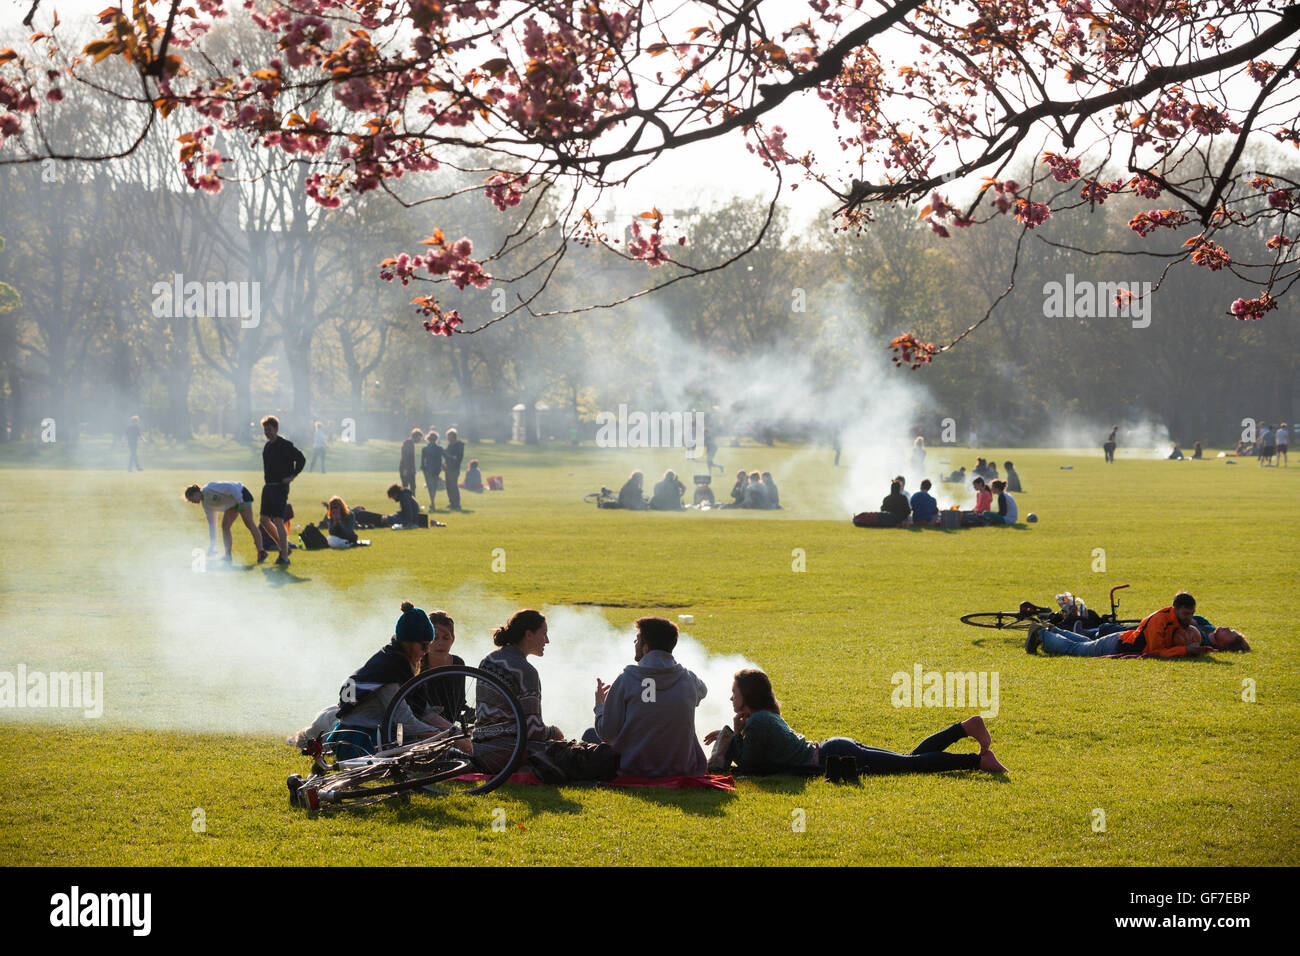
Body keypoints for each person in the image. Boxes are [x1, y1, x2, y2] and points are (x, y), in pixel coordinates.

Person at [705, 669, 1007, 776]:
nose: (731, 699)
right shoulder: (765, 717)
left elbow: (751, 767)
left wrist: (732, 739)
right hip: (835, 748)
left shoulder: (756, 724)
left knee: (911, 765)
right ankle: (965, 728)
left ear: (747, 694)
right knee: (909, 760)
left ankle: (976, 762)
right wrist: (734, 734)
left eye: (734, 693)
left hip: (835, 756)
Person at [331, 602, 455, 755]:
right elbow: (405, 720)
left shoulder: (400, 662)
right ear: (407, 643)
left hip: (380, 732)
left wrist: (454, 733)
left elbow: (423, 711)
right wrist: (444, 737)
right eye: (423, 645)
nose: (426, 650)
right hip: (362, 739)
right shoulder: (388, 671)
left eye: (429, 644)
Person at [591, 617, 707, 777]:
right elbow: (703, 691)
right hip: (681, 769)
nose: (634, 643)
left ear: (645, 648)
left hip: (633, 769)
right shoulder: (689, 678)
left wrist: (600, 706)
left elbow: (607, 734)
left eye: (637, 640)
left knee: (590, 734)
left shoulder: (627, 679)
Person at [474, 609, 566, 775]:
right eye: (544, 634)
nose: (547, 640)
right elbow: (533, 731)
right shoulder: (526, 671)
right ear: (528, 634)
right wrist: (554, 732)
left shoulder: (488, 659)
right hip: (508, 753)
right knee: (565, 752)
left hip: (480, 750)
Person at [1028, 591, 1212, 658]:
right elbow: (1155, 652)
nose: (1190, 619)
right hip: (1117, 645)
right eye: (1186, 614)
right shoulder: (1160, 621)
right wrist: (1185, 651)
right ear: (1176, 609)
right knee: (1076, 649)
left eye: (1192, 614)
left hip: (1119, 641)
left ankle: (1052, 629)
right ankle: (1041, 634)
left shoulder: (1177, 620)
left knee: (1083, 643)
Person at [260, 415, 306, 566]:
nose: (267, 432)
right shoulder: (267, 447)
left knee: (279, 520)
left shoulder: (285, 445)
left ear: (276, 429)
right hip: (268, 487)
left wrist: (292, 476)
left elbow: (301, 459)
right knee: (264, 520)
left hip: (280, 487)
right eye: (265, 429)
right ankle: (284, 547)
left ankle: (284, 557)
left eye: (269, 429)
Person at [184, 481, 266, 564]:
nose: (192, 502)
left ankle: (261, 552)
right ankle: (228, 556)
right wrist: (212, 546)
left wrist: (240, 501)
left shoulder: (209, 488)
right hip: (234, 505)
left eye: (192, 499)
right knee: (225, 526)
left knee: (249, 523)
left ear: (196, 493)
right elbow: (212, 525)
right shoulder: (206, 505)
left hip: (242, 496)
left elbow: (231, 487)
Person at [443, 427, 465, 510]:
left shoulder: (459, 445)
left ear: (453, 437)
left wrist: (451, 459)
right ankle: (452, 502)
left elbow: (458, 458)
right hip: (448, 468)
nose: (448, 439)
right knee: (448, 486)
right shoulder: (450, 445)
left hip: (454, 469)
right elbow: (447, 456)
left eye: (449, 437)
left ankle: (456, 503)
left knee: (453, 486)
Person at [420, 430, 443, 511]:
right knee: (434, 486)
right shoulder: (439, 449)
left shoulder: (425, 449)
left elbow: (423, 461)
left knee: (430, 486)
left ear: (428, 439)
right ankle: (432, 502)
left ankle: (432, 502)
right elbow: (441, 459)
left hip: (427, 470)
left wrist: (423, 468)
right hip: (436, 470)